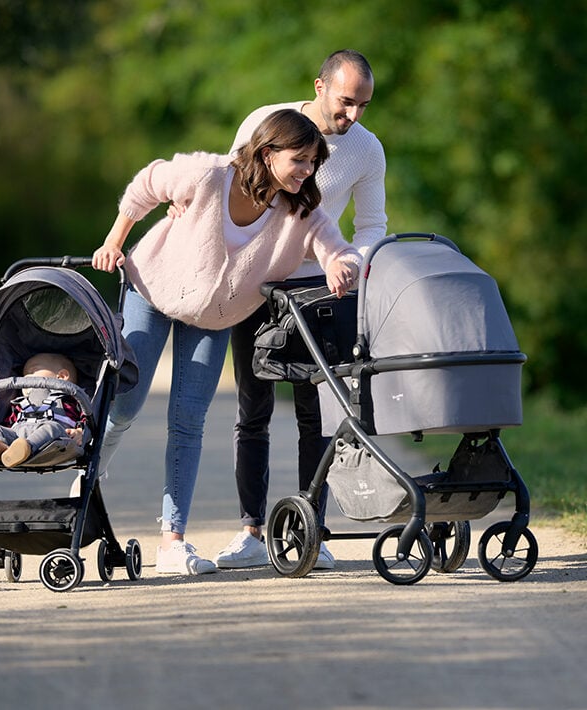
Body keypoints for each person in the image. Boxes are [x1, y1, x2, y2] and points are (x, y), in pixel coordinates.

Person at [91, 109, 361, 576]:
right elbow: (148, 182)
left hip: (214, 316)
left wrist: (341, 264)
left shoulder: (300, 207)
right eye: (299, 160)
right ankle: (88, 478)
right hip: (153, 289)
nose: (307, 171)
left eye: (313, 163)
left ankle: (171, 541)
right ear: (267, 152)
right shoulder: (210, 175)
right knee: (126, 404)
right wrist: (115, 240)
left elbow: (334, 244)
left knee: (188, 421)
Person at [214, 50, 387, 570]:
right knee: (254, 410)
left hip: (320, 292)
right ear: (319, 86)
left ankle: (313, 527)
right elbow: (226, 193)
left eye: (363, 105)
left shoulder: (367, 149)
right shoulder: (263, 123)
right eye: (345, 102)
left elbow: (373, 224)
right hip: (256, 286)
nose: (353, 116)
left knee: (316, 415)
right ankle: (250, 531)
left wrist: (351, 262)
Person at [0, 352, 88, 468]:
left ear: (61, 377)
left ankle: (25, 448)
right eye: (24, 375)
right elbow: (9, 422)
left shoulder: (71, 399)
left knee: (52, 428)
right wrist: (2, 432)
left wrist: (80, 432)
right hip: (17, 436)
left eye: (32, 371)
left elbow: (86, 417)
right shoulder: (20, 402)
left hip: (52, 440)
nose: (25, 379)